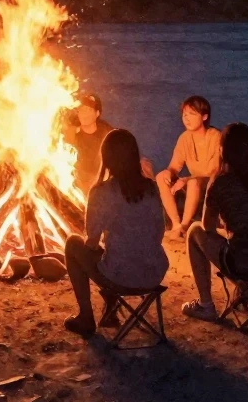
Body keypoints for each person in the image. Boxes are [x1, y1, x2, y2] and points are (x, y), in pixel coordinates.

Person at [63, 128, 169, 337]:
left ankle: (86, 317)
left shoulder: (102, 192)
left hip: (120, 277)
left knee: (73, 244)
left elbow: (92, 240)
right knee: (114, 253)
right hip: (153, 273)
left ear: (106, 158)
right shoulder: (151, 188)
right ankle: (110, 309)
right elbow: (159, 231)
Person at [182, 122, 248, 321]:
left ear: (223, 149)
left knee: (194, 232)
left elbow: (208, 227)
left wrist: (229, 226)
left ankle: (206, 305)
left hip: (246, 264)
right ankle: (247, 295)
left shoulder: (221, 181)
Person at [156, 95, 221, 238]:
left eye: (192, 114)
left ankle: (185, 225)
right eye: (184, 115)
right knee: (161, 177)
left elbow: (214, 171)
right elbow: (174, 166)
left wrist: (185, 180)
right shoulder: (184, 138)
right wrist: (169, 173)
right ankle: (176, 223)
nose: (187, 118)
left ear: (204, 116)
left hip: (213, 183)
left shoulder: (216, 137)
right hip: (194, 182)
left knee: (193, 182)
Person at [64, 92, 114, 198]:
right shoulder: (71, 135)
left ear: (97, 113)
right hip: (77, 191)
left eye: (89, 110)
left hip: (101, 189)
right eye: (82, 110)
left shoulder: (107, 134)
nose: (84, 114)